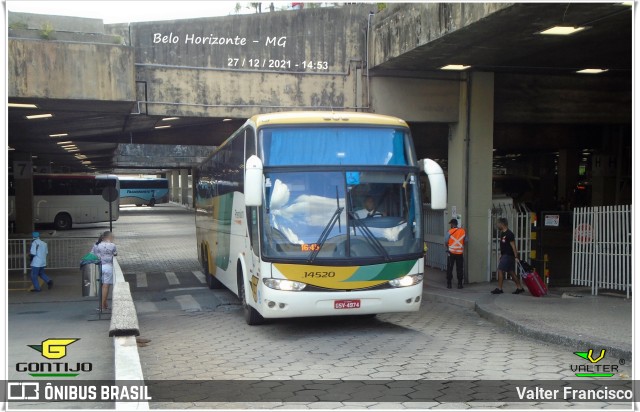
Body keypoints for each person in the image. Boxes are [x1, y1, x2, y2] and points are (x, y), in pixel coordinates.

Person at [491, 218, 525, 295]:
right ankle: (519, 288)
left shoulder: (509, 234)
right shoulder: (502, 233)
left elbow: (513, 246)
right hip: (505, 255)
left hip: (508, 255)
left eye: (498, 224)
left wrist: (516, 257)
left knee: (500, 270)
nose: (497, 225)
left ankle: (499, 288)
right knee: (511, 272)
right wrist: (501, 254)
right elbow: (504, 245)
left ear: (502, 224)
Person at [92, 231, 117, 310]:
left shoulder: (96, 245)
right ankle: (102, 306)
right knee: (106, 286)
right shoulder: (112, 245)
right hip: (108, 267)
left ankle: (104, 303)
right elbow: (115, 253)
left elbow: (93, 254)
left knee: (101, 286)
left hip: (99, 267)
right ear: (109, 237)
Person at [445, 219, 465, 289]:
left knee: (450, 268)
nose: (450, 225)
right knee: (460, 268)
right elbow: (466, 240)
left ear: (453, 224)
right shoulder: (463, 231)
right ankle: (460, 284)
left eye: (451, 224)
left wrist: (447, 246)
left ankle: (449, 284)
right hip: (460, 253)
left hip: (451, 253)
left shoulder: (450, 231)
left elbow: (446, 241)